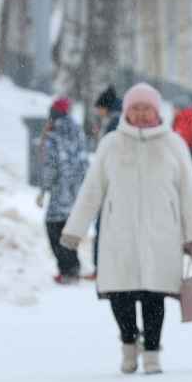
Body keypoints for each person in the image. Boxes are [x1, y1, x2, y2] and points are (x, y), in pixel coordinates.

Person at [59, 83, 192, 375]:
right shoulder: (111, 143)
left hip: (161, 233)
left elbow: (189, 192)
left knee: (155, 295)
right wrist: (74, 230)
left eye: (146, 108)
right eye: (135, 108)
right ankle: (128, 345)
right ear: (126, 111)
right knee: (119, 294)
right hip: (119, 235)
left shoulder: (173, 144)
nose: (140, 114)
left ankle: (152, 352)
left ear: (156, 110)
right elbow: (91, 191)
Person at [36, 97, 88, 285]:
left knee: (54, 229)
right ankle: (72, 267)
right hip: (76, 192)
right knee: (68, 231)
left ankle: (68, 269)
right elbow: (84, 163)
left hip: (59, 193)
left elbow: (52, 167)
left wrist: (44, 189)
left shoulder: (53, 135)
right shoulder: (77, 132)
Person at [87, 86, 122, 280]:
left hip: (111, 183)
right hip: (118, 184)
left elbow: (105, 153)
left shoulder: (114, 121)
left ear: (105, 106)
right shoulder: (120, 117)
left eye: (99, 108)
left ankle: (101, 268)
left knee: (103, 225)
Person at [172, 98, 192, 172]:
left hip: (182, 154)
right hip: (189, 153)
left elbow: (179, 140)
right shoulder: (188, 119)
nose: (172, 110)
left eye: (174, 108)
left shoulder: (182, 121)